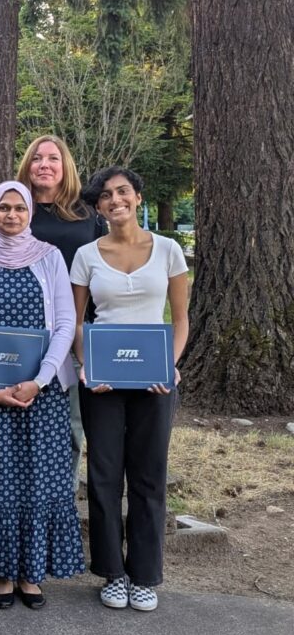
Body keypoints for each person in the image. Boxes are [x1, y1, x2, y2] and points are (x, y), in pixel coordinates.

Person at [0, 181, 85, 611]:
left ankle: (31, 573)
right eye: (4, 208)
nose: (11, 215)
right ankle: (2, 573)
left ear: (30, 212)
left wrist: (41, 379)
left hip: (42, 392)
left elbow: (64, 323)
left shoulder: (50, 258)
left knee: (40, 481)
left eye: (19, 208)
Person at [70, 167, 189, 612]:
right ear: (98, 206)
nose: (115, 200)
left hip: (154, 380)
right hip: (102, 381)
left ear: (138, 197)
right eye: (105, 195)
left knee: (148, 475)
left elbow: (180, 319)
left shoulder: (168, 250)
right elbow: (76, 322)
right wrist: (86, 364)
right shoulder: (86, 255)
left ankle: (143, 575)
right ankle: (112, 573)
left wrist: (169, 365)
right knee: (104, 476)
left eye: (123, 192)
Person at [0, 135, 104, 490]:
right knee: (15, 414)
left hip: (71, 331)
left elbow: (102, 268)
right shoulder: (11, 208)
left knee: (70, 423)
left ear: (66, 166)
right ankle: (17, 491)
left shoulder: (87, 215)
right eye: (36, 158)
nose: (44, 164)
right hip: (15, 335)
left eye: (53, 158)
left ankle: (61, 492)